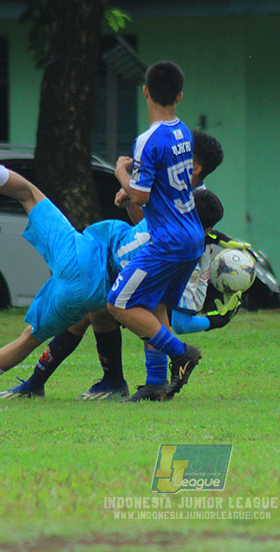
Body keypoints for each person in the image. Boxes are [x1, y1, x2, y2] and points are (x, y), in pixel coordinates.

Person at [0, 129, 228, 402]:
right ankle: (127, 382)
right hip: (145, 257)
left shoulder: (191, 200)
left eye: (182, 153)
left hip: (165, 261)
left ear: (195, 167)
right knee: (101, 310)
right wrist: (130, 200)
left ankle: (168, 363)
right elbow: (145, 224)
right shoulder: (176, 188)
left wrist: (122, 174)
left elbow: (154, 223)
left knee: (121, 306)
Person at [0, 123, 154, 403]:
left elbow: (144, 214)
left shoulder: (164, 226)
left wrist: (122, 176)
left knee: (29, 194)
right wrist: (129, 199)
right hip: (92, 288)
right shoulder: (174, 238)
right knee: (33, 337)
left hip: (79, 253)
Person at [106, 60, 205, 399]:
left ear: (145, 91)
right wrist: (132, 189)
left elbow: (142, 193)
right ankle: (155, 384)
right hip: (192, 235)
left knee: (118, 303)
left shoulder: (146, 139)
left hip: (168, 241)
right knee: (156, 305)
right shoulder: (184, 132)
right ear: (179, 96)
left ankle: (182, 352)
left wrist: (121, 174)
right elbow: (164, 184)